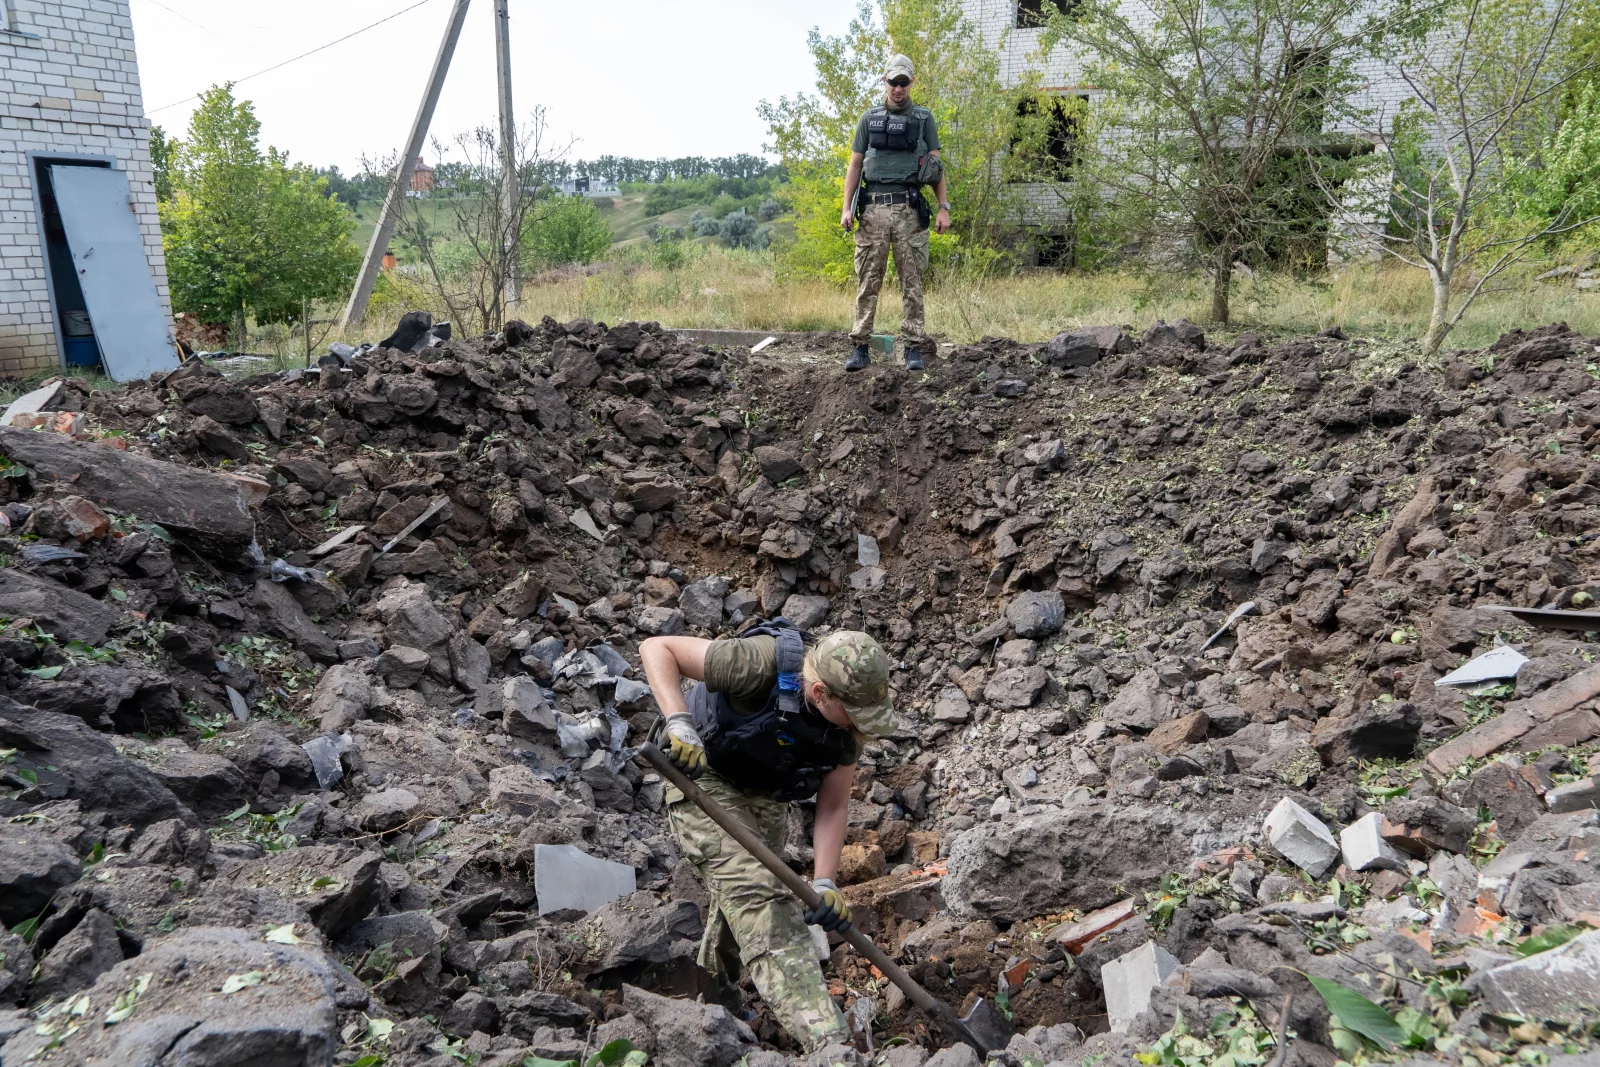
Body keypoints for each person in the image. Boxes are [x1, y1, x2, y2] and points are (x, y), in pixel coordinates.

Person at [639, 624, 897, 1052]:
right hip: (705, 776)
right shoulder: (759, 662)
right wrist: (679, 722)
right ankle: (828, 1043)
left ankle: (710, 998)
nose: (861, 727)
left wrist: (826, 882)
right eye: (854, 713)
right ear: (820, 694)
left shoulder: (846, 728)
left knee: (737, 900)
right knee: (758, 896)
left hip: (766, 793)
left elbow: (832, 806)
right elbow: (657, 647)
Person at [840, 53, 951, 374]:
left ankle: (913, 349)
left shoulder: (923, 119)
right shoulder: (868, 118)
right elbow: (855, 164)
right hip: (872, 210)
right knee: (867, 281)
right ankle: (860, 347)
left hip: (909, 210)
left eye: (904, 82)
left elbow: (936, 166)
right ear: (884, 81)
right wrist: (846, 207)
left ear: (911, 82)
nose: (898, 88)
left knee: (912, 282)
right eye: (893, 82)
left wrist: (943, 208)